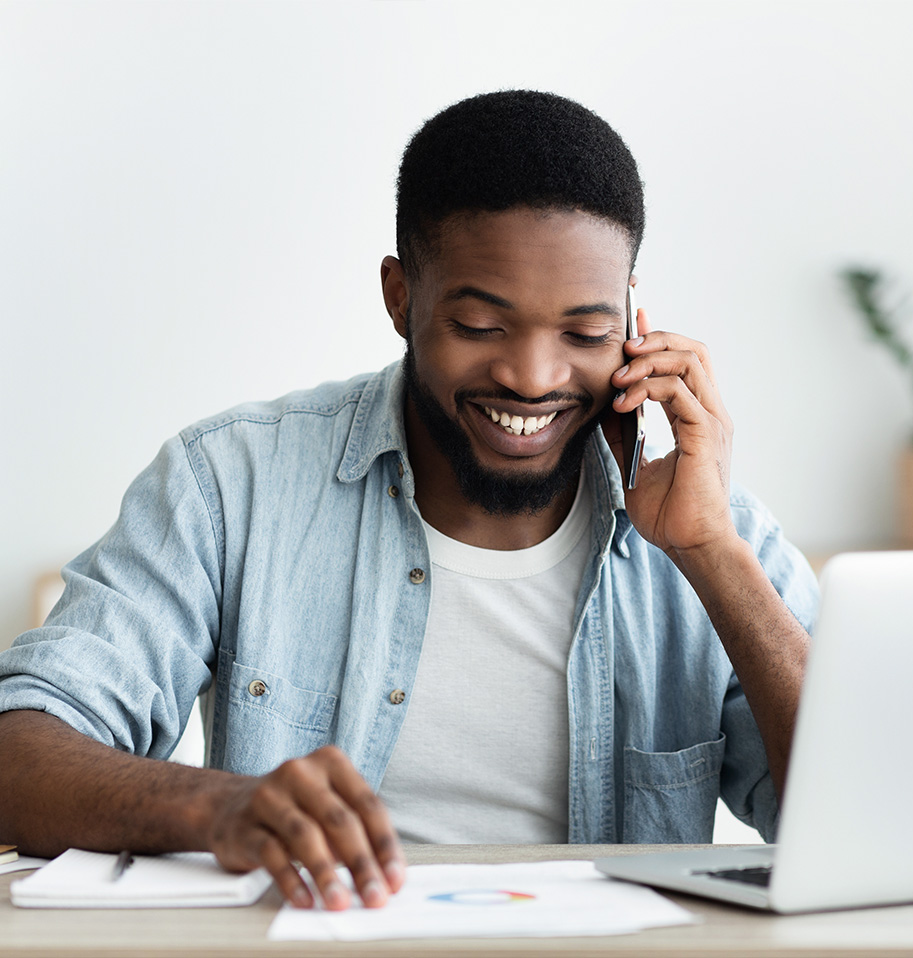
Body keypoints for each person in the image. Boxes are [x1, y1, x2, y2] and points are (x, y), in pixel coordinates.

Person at [0, 90, 816, 912]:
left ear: (633, 318)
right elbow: (18, 754)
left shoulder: (716, 531)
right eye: (480, 325)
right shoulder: (230, 486)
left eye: (584, 333)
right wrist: (220, 808)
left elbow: (860, 814)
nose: (533, 377)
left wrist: (712, 557)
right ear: (401, 297)